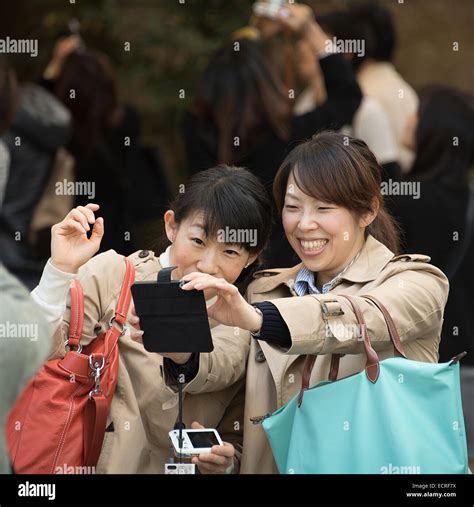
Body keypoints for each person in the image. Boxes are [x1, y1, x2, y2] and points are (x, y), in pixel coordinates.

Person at [180, 131, 449, 473]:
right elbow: (231, 388)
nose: (305, 224)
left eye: (324, 207)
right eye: (293, 207)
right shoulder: (263, 292)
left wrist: (263, 320)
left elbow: (360, 318)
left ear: (367, 210)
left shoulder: (418, 282)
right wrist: (227, 461)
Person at [25, 165, 272, 474]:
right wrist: (59, 270)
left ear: (253, 256)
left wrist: (226, 463)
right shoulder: (113, 275)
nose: (208, 264)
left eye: (231, 252)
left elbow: (238, 434)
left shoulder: (249, 319)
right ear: (172, 226)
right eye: (198, 241)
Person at [183, 2, 362, 268]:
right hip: (280, 263)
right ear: (269, 82)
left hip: (219, 260)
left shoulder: (193, 127)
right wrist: (309, 29)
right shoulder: (287, 134)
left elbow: (236, 58)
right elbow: (347, 96)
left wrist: (255, 32)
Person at [390, 85, 474, 468]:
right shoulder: (466, 200)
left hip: (414, 357)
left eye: (418, 115)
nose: (408, 120)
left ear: (434, 130)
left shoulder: (402, 201)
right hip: (466, 361)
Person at [294, 8, 400, 181]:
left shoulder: (367, 111)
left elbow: (389, 181)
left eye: (314, 40)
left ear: (345, 53)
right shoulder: (304, 103)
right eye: (302, 39)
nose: (301, 48)